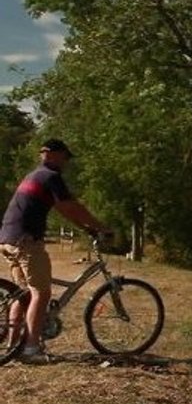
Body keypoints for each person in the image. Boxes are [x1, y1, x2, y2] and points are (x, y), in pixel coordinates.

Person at [0, 139, 110, 362]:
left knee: (23, 294)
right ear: (50, 154)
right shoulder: (50, 176)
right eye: (64, 156)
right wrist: (100, 227)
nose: (66, 162)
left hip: (8, 238)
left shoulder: (35, 176)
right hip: (26, 240)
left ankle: (14, 346)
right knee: (41, 292)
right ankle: (31, 350)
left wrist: (85, 229)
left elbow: (64, 209)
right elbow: (72, 206)